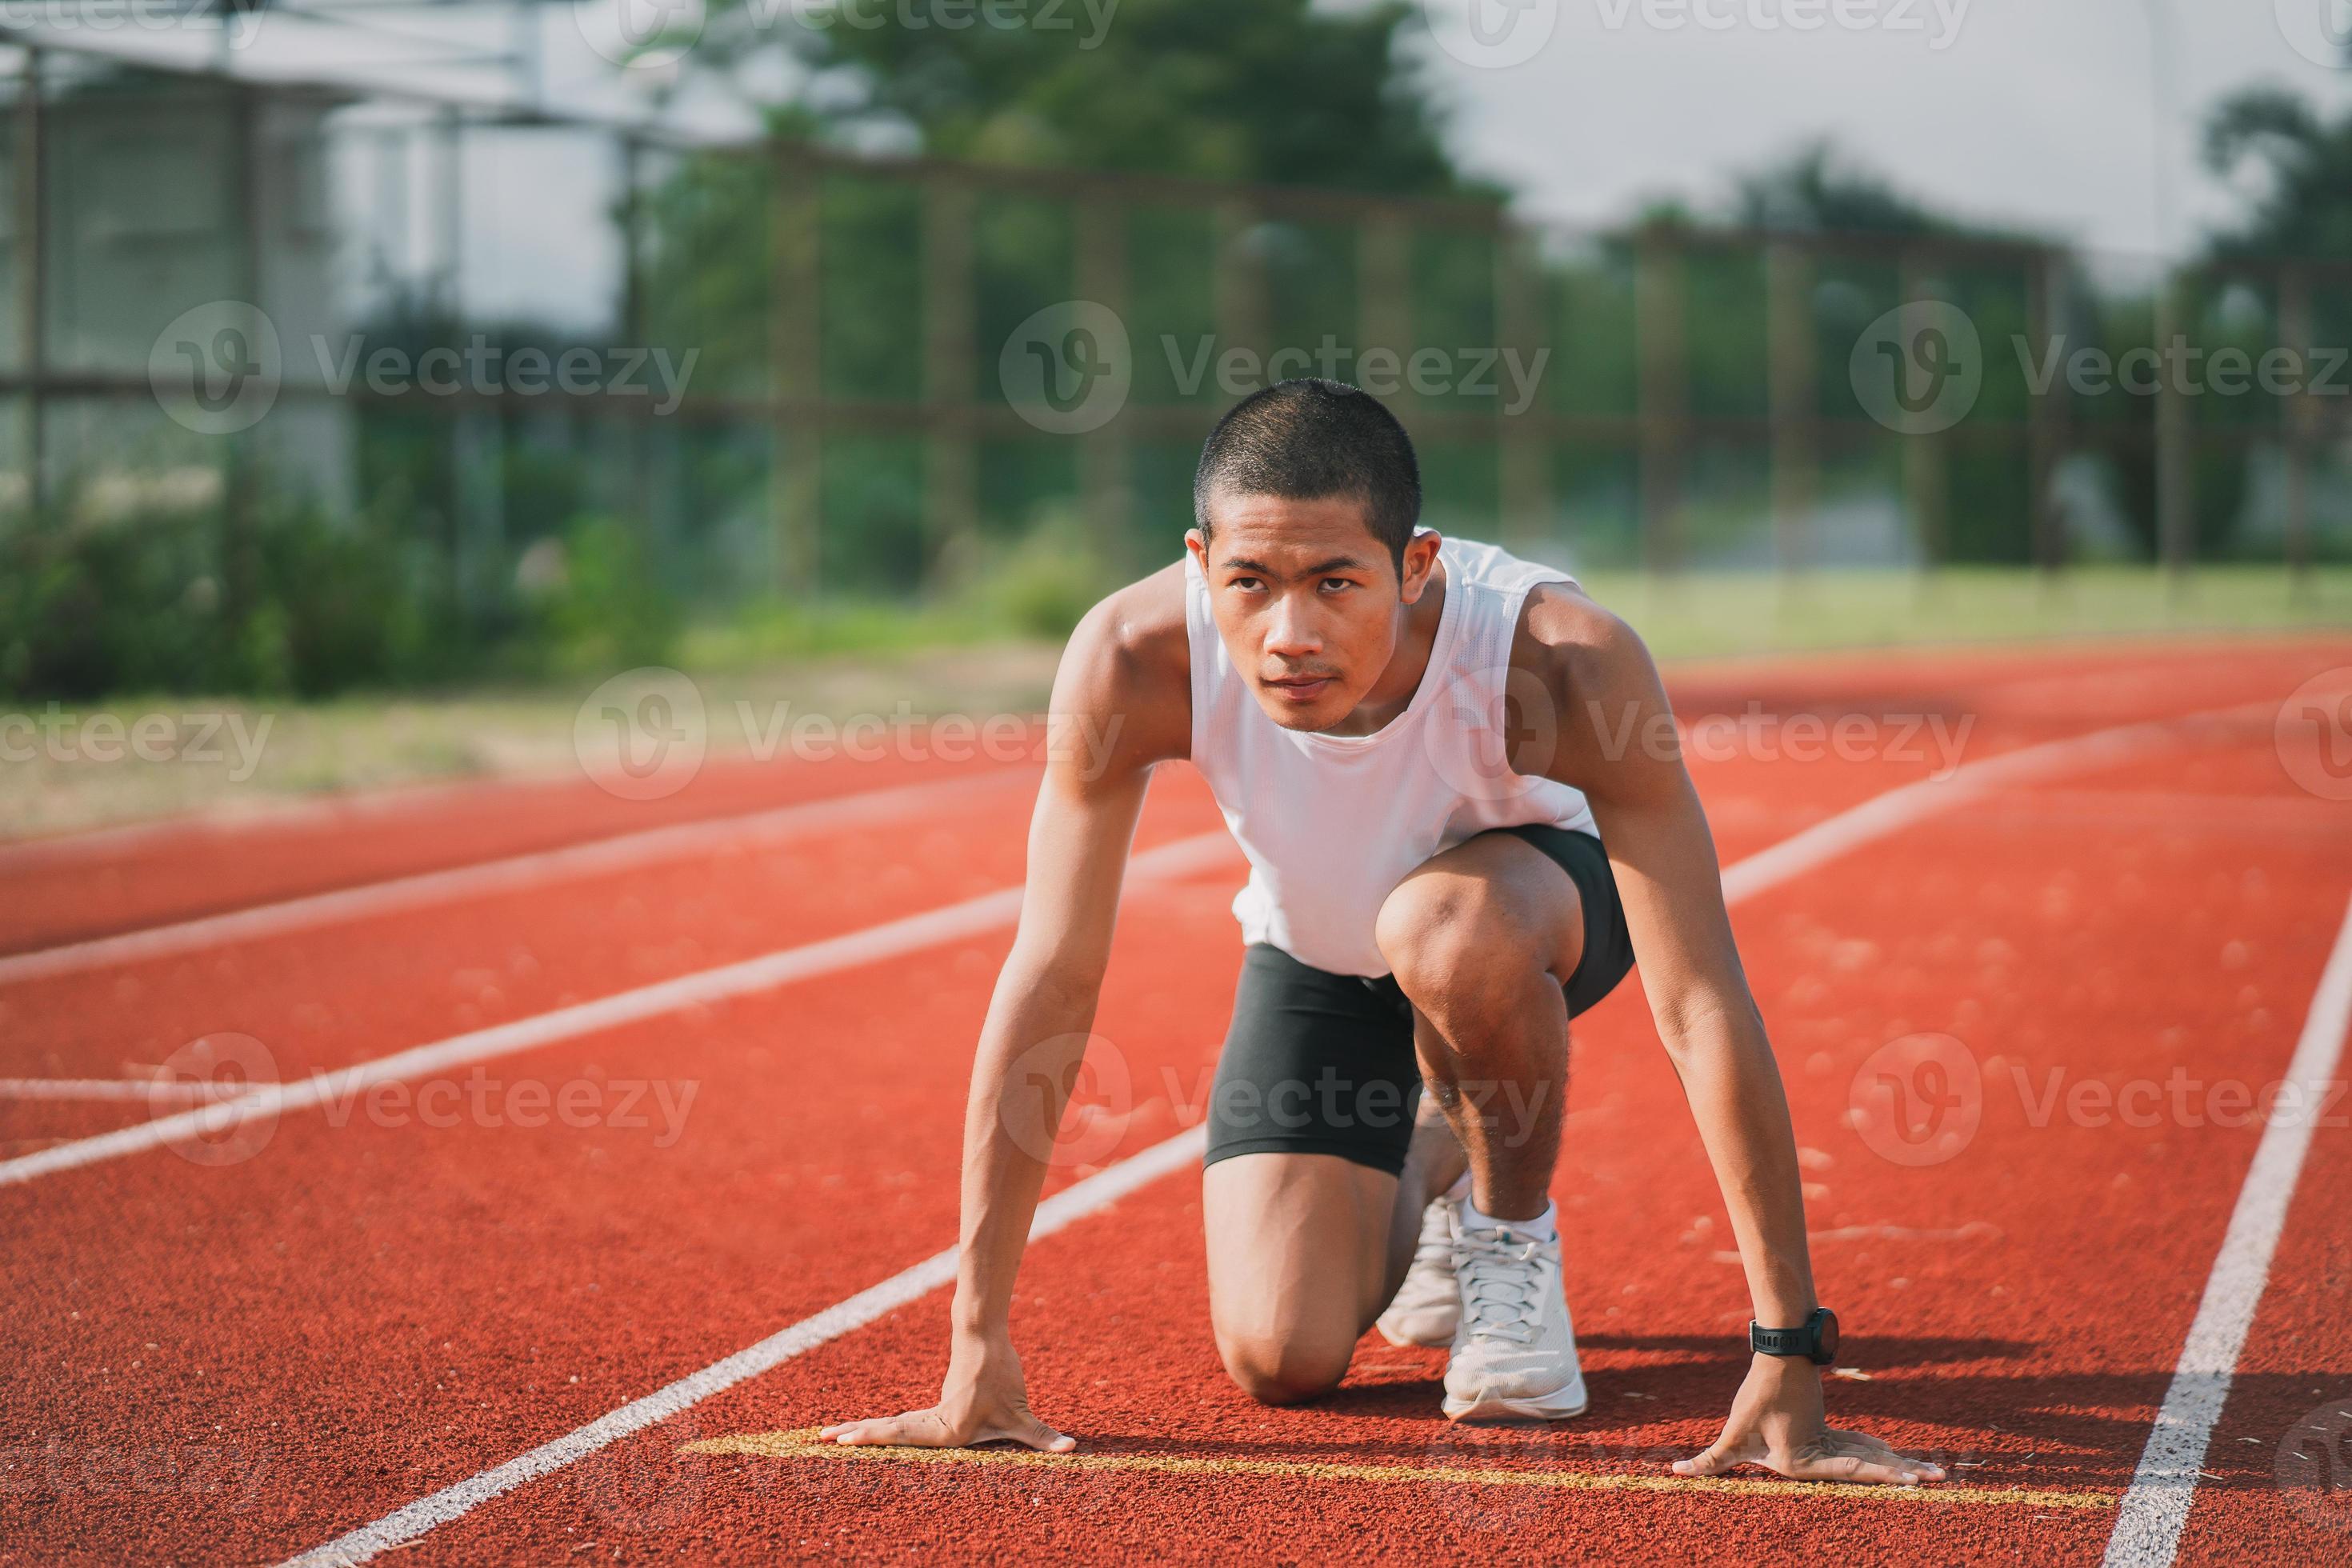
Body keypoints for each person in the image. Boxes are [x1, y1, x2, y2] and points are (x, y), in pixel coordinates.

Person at [824, 379, 1944, 1485]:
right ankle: (1442, 1143)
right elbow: (1051, 979)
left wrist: (1789, 1347)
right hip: (1320, 950)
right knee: (1281, 1354)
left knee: (1444, 931)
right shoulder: (1132, 658)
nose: (1290, 634)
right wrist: (975, 1343)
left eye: (1336, 583)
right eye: (1250, 582)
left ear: (1417, 567)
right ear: (1197, 561)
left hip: (1526, 922)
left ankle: (1509, 1236)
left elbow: (1699, 999)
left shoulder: (1557, 660)